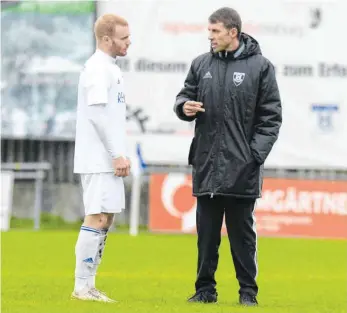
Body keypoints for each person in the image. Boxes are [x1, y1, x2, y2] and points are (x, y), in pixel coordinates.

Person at [174, 7, 282, 306]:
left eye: (215, 31)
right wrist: (184, 107)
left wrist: (253, 156)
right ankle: (204, 290)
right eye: (209, 32)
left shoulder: (261, 67)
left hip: (242, 169)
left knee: (242, 238)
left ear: (232, 32)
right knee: (206, 237)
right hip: (207, 165)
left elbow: (271, 118)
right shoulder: (200, 64)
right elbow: (184, 95)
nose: (210, 37)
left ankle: (248, 293)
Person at [72, 13, 131, 302]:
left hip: (106, 158)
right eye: (123, 38)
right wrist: (115, 154)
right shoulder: (98, 68)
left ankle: (89, 285)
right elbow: (96, 113)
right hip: (98, 159)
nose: (128, 42)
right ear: (106, 39)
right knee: (96, 217)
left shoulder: (110, 68)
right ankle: (82, 286)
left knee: (105, 218)